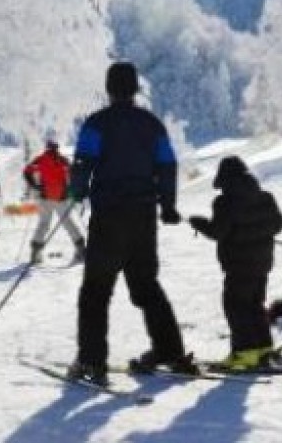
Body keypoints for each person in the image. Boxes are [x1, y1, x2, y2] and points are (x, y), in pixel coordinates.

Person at [66, 62, 196, 385]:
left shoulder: (97, 124)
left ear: (109, 88)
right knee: (146, 286)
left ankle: (92, 362)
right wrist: (168, 206)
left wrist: (77, 191)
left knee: (96, 290)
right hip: (142, 218)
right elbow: (167, 165)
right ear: (136, 88)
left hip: (109, 217)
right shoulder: (151, 125)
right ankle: (169, 350)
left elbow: (83, 163)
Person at [188, 156, 282, 371]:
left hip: (238, 265)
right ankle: (262, 348)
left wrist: (199, 223)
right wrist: (253, 231)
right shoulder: (265, 197)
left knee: (236, 307)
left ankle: (244, 353)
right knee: (255, 305)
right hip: (262, 262)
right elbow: (279, 223)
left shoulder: (224, 202)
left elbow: (217, 232)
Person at [22, 139, 86, 264]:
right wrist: (74, 190)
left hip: (44, 197)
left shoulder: (40, 159)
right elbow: (74, 173)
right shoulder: (62, 160)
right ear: (56, 148)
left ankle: (36, 251)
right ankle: (81, 249)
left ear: (47, 148)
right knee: (68, 222)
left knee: (43, 224)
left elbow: (26, 172)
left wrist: (34, 185)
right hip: (60, 198)